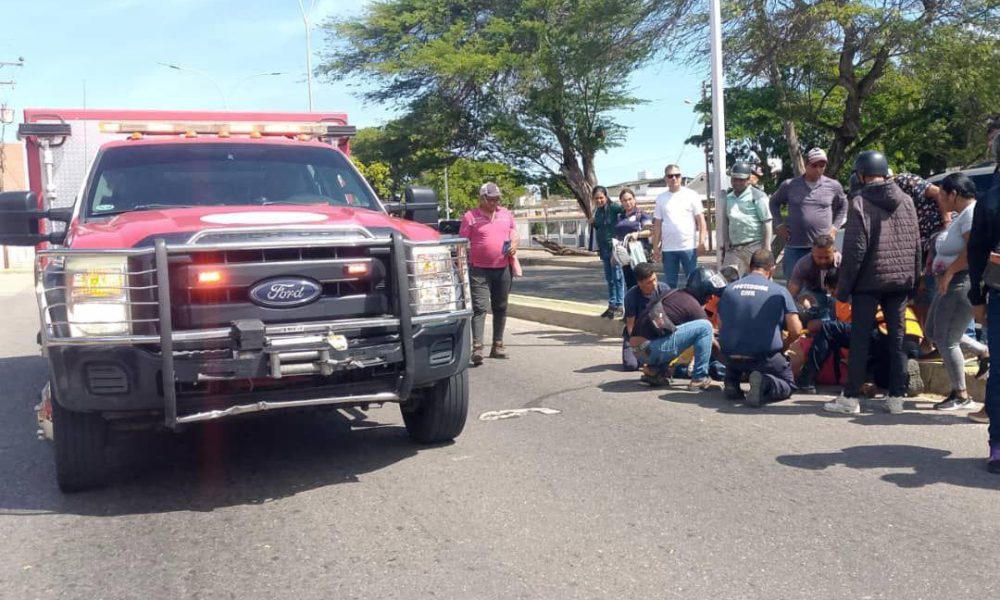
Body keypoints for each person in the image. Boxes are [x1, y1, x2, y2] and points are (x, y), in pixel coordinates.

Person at [824, 151, 920, 415]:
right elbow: (916, 245)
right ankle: (896, 397)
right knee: (897, 338)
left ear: (861, 174)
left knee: (860, 339)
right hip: (900, 281)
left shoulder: (859, 202)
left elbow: (855, 251)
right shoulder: (907, 200)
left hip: (869, 282)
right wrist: (914, 281)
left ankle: (850, 397)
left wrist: (843, 289)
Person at [924, 173, 990, 411]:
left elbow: (972, 251)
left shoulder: (971, 214)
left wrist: (949, 272)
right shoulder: (961, 215)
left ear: (954, 194)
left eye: (942, 194)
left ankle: (960, 393)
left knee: (946, 338)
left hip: (962, 281)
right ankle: (982, 351)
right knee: (932, 330)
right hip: (950, 281)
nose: (939, 198)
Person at [717, 249, 803, 407]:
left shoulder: (729, 289)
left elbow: (721, 325)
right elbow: (796, 329)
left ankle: (732, 381)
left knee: (737, 356)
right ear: (772, 269)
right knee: (788, 384)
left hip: (731, 355)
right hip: (763, 358)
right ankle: (765, 384)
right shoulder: (779, 291)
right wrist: (784, 346)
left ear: (750, 267)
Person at [624, 262, 717, 390]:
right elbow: (711, 340)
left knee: (682, 333)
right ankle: (699, 377)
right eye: (709, 294)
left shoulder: (671, 292)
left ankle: (654, 371)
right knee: (705, 327)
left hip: (641, 348)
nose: (711, 298)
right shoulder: (693, 305)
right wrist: (732, 367)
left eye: (655, 279)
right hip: (647, 348)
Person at [966, 125, 1000, 471]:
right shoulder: (990, 199)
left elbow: (976, 253)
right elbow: (976, 252)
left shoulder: (989, 197)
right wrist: (977, 296)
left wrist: (977, 296)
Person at [459, 182, 518, 366]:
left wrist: (514, 243)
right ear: (482, 198)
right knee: (480, 307)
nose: (494, 202)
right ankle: (477, 348)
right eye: (491, 199)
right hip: (479, 269)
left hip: (503, 268)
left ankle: (497, 345)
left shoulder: (506, 214)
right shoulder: (470, 217)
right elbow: (461, 244)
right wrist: (461, 268)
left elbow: (513, 232)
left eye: (497, 199)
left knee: (501, 306)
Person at [769, 148, 848, 279]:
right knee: (793, 283)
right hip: (795, 246)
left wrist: (835, 228)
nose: (818, 169)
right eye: (814, 165)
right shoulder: (789, 185)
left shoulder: (833, 186)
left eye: (822, 165)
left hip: (822, 248)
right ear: (806, 164)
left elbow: (843, 205)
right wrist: (779, 224)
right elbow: (773, 203)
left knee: (823, 284)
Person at [651, 165, 708, 288]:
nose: (674, 178)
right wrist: (655, 247)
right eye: (670, 176)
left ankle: (692, 301)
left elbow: (701, 221)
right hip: (668, 249)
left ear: (681, 177)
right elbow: (657, 225)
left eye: (677, 175)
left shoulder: (692, 195)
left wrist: (701, 242)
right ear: (665, 178)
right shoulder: (661, 198)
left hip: (689, 247)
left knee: (693, 283)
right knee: (670, 284)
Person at [721, 161, 772, 279]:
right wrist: (726, 242)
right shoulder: (728, 198)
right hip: (735, 248)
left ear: (748, 179)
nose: (737, 182)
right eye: (735, 179)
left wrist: (766, 248)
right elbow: (726, 222)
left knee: (760, 281)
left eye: (741, 179)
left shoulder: (758, 196)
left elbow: (767, 222)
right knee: (728, 280)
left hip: (755, 246)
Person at [590, 185, 625, 319]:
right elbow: (599, 227)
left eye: (601, 198)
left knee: (617, 277)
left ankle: (620, 305)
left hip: (614, 248)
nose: (599, 200)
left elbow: (626, 211)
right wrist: (593, 222)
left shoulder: (614, 207)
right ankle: (612, 305)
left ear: (606, 197)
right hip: (603, 248)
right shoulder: (597, 211)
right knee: (609, 278)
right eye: (596, 198)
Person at [787, 234, 841, 319]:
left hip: (838, 295)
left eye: (827, 257)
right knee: (804, 303)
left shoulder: (843, 263)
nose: (823, 261)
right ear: (812, 252)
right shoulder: (804, 264)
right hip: (814, 294)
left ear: (834, 251)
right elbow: (793, 288)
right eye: (819, 257)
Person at [613, 187, 653, 290]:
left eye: (630, 199)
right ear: (621, 202)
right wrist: (614, 255)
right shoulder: (619, 217)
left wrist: (638, 234)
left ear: (634, 199)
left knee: (644, 284)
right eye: (624, 200)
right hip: (625, 256)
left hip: (639, 255)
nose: (628, 202)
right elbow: (616, 236)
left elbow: (650, 231)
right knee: (630, 285)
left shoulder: (642, 215)